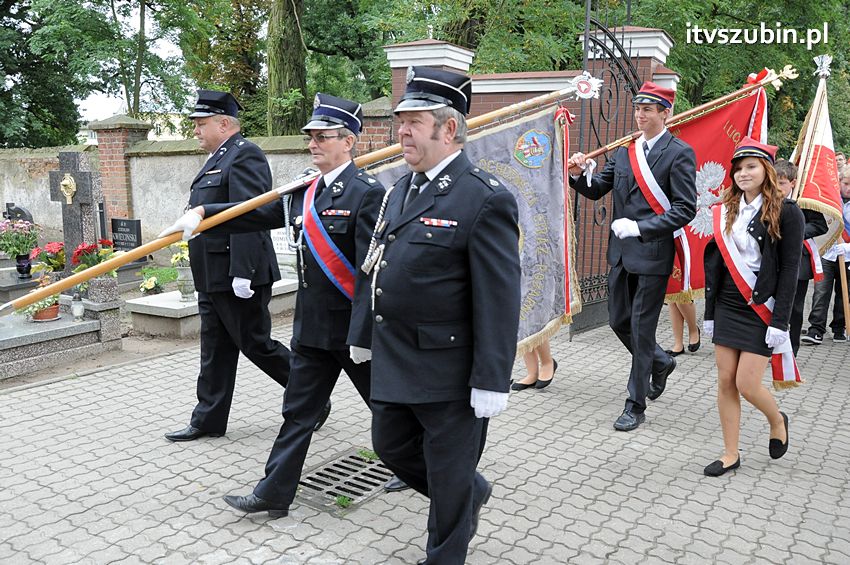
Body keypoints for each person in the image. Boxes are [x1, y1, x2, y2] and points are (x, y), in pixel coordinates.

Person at [162, 94, 405, 513]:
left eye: (322, 137)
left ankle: (418, 464)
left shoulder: (367, 194)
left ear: (348, 141)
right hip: (312, 328)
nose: (312, 143)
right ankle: (273, 493)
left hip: (349, 329)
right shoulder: (306, 190)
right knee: (298, 413)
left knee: (384, 404)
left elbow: (371, 272)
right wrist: (203, 211)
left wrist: (365, 333)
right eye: (310, 136)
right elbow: (257, 212)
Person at [364, 66, 521, 565]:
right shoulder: (400, 190)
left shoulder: (484, 196)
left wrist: (492, 378)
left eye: (413, 121)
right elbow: (375, 265)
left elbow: (500, 296)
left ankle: (446, 551)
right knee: (389, 444)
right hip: (396, 356)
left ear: (447, 128)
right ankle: (467, 492)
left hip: (451, 368)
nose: (401, 131)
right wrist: (362, 333)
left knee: (448, 474)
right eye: (400, 121)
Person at [161, 89, 292, 442]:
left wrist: (243, 270)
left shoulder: (244, 155)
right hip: (211, 274)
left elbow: (251, 213)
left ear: (224, 123)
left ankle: (309, 395)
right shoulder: (217, 157)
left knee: (256, 344)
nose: (195, 130)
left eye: (201, 123)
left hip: (237, 273)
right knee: (215, 348)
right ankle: (208, 419)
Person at [567, 82, 697, 431]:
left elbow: (686, 208)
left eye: (648, 110)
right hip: (621, 254)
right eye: (638, 109)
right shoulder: (625, 153)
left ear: (664, 113)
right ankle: (660, 361)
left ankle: (635, 405)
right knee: (618, 322)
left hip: (653, 254)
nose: (640, 115)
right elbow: (596, 190)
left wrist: (642, 228)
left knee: (640, 329)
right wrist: (578, 175)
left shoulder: (679, 152)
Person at [701, 137, 803, 477]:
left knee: (747, 383)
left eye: (752, 166)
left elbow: (789, 269)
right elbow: (716, 263)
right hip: (729, 301)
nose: (743, 173)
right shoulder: (726, 208)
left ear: (767, 171)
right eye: (739, 168)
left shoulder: (787, 211)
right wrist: (710, 313)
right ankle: (731, 453)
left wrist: (781, 321)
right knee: (725, 380)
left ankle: (777, 419)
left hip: (762, 305)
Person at [774, 159, 828, 354]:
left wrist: (796, 229)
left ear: (793, 183)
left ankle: (791, 349)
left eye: (782, 183)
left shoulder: (805, 201)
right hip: (773, 259)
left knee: (795, 308)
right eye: (774, 182)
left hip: (799, 261)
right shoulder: (767, 198)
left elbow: (821, 225)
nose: (777, 187)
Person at [801, 167, 850, 345]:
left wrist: (848, 247)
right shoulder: (828, 200)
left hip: (848, 254)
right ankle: (816, 329)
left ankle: (839, 327)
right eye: (845, 184)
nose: (848, 188)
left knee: (844, 294)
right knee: (821, 291)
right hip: (828, 252)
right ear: (838, 183)